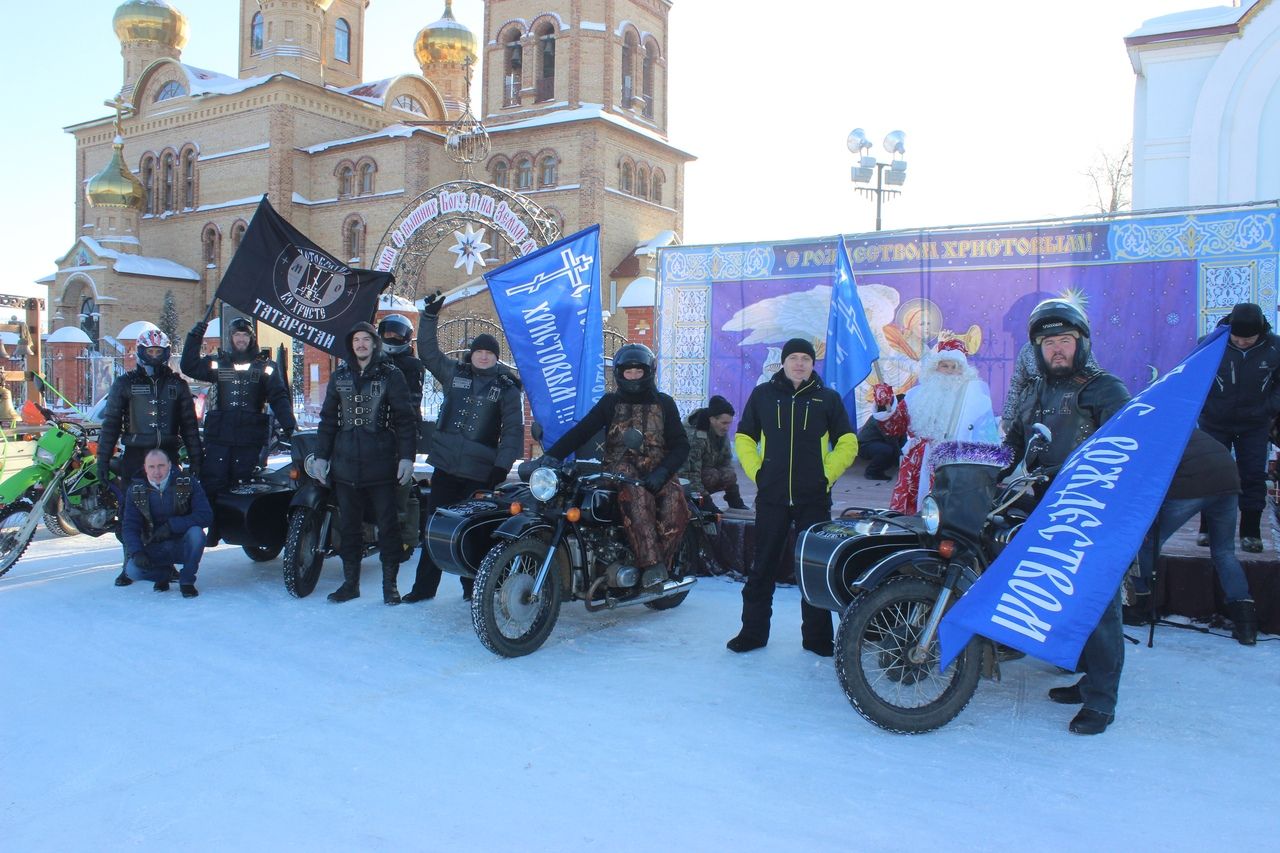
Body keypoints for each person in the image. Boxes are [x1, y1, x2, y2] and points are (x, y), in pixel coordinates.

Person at [1004, 298, 1131, 735]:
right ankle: (1086, 675)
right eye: (1048, 342)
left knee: (1099, 606)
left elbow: (1129, 455)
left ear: (1082, 343)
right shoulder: (1033, 392)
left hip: (1095, 512)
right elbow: (1014, 449)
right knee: (1064, 597)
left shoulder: (1106, 389)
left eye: (1064, 340)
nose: (1056, 349)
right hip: (1047, 507)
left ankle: (1101, 700)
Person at [728, 337, 858, 656]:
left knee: (813, 569)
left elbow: (848, 442)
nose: (799, 363)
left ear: (813, 364)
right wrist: (759, 473)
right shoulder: (763, 395)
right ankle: (753, 633)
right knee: (762, 567)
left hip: (813, 499)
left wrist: (825, 476)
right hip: (771, 498)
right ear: (783, 362)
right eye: (794, 357)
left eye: (806, 358)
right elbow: (744, 437)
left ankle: (817, 639)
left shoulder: (827, 399)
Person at [536, 343, 690, 590]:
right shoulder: (610, 403)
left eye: (637, 371)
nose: (632, 376)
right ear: (619, 374)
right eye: (627, 372)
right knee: (634, 493)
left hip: (657, 472)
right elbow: (582, 431)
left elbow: (681, 445)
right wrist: (551, 457)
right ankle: (650, 564)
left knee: (675, 506)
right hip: (620, 470)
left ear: (648, 372)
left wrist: (662, 472)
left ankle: (663, 562)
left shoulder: (664, 404)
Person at [402, 293, 524, 603]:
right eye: (479, 352)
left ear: (497, 358)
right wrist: (429, 317)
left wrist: (501, 466)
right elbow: (428, 352)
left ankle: (473, 590)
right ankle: (423, 589)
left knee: (474, 531)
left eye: (489, 353)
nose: (483, 357)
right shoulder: (454, 372)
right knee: (435, 529)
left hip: (479, 472)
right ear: (471, 354)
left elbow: (512, 431)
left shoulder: (507, 389)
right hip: (445, 467)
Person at [314, 323, 417, 605]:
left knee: (389, 526)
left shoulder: (391, 375)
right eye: (356, 339)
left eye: (365, 339)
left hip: (381, 464)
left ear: (374, 343)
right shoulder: (340, 376)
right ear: (352, 345)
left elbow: (405, 419)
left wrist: (407, 457)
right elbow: (328, 421)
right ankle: (350, 584)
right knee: (349, 527)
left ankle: (390, 586)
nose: (360, 344)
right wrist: (322, 457)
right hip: (345, 466)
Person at [1128, 428, 1257, 645]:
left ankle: (1139, 604)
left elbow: (1146, 479)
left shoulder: (1148, 433)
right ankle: (1246, 622)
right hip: (1228, 479)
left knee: (1147, 544)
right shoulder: (1184, 423)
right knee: (1224, 552)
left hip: (1192, 484)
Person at [99, 329, 203, 587]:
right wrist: (103, 460)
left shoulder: (177, 384)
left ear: (166, 353)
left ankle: (165, 565)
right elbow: (111, 424)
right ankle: (129, 564)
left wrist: (196, 458)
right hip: (134, 457)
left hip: (167, 455)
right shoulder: (125, 383)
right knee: (129, 513)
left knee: (167, 512)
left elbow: (189, 426)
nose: (155, 356)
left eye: (159, 352)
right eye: (150, 351)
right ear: (141, 352)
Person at [181, 316, 296, 544]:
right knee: (213, 482)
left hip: (249, 438)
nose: (241, 339)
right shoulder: (218, 363)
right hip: (219, 436)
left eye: (245, 335)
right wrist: (195, 335)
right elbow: (189, 366)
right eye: (237, 335)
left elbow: (279, 399)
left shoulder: (266, 367)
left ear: (251, 338)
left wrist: (292, 428)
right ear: (230, 338)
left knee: (242, 485)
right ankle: (214, 528)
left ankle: (241, 529)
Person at [874, 339, 999, 513]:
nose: (949, 371)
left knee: (947, 518)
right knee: (911, 520)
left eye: (954, 367)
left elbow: (988, 440)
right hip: (916, 468)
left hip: (954, 467)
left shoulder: (978, 401)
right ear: (934, 368)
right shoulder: (915, 395)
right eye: (944, 366)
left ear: (963, 372)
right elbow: (894, 428)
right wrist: (885, 405)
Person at [1197, 302, 1280, 553]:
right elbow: (1194, 377)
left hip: (1254, 424)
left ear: (1261, 332)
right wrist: (1204, 407)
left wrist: (1269, 407)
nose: (1242, 342)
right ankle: (1208, 529)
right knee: (1212, 474)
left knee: (1253, 475)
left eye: (1249, 338)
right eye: (1237, 337)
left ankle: (1250, 533)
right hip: (1214, 421)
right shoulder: (1210, 343)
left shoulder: (1276, 347)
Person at [121, 449, 213, 598]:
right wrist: (137, 551)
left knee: (197, 533)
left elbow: (205, 515)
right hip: (155, 544)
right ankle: (163, 575)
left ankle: (187, 581)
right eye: (151, 466)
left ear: (170, 465)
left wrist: (172, 526)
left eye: (161, 465)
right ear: (145, 467)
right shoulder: (135, 490)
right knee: (132, 570)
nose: (157, 471)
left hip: (183, 543)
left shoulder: (187, 482)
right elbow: (129, 526)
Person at [377, 313, 427, 565]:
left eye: (397, 334)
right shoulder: (373, 360)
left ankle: (406, 538)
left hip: (401, 433)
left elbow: (410, 403)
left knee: (401, 488)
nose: (392, 338)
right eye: (387, 333)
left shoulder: (411, 365)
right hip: (373, 434)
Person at [680, 395, 748, 513]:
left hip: (702, 475)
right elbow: (689, 474)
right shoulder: (694, 436)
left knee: (728, 473)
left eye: (729, 423)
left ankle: (733, 501)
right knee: (712, 475)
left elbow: (726, 464)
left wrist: (735, 498)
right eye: (724, 423)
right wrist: (706, 502)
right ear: (712, 419)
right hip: (682, 481)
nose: (727, 428)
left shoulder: (720, 432)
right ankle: (695, 503)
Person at [857, 384, 904, 481]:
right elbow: (892, 439)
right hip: (865, 445)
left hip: (879, 441)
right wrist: (902, 461)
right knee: (887, 450)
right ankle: (872, 472)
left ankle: (887, 466)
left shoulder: (894, 412)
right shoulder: (881, 418)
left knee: (892, 448)